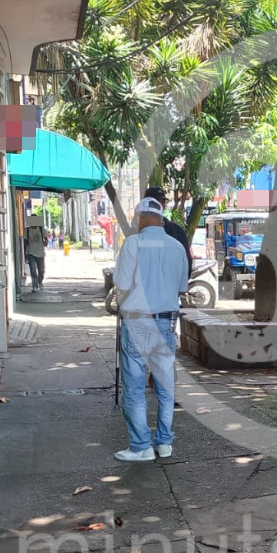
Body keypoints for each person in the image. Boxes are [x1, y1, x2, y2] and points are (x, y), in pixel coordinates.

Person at [112, 197, 190, 463]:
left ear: (141, 217)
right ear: (160, 218)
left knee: (134, 387)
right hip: (166, 322)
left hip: (137, 322)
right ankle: (164, 443)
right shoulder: (177, 246)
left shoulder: (133, 243)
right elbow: (182, 288)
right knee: (165, 386)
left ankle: (141, 447)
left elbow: (121, 284)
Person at [142, 186, 193, 276]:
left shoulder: (177, 231)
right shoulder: (134, 236)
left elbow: (187, 266)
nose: (161, 205)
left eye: (162, 202)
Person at [24, 220, 47, 291]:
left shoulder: (41, 229)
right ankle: (35, 285)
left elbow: (46, 239)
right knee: (33, 270)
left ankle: (40, 282)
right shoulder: (27, 230)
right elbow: (25, 242)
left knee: (41, 270)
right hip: (31, 253)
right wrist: (25, 253)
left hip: (40, 253)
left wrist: (45, 243)